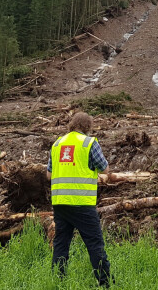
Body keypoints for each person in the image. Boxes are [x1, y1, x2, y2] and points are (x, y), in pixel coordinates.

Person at [47, 112, 112, 286]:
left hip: (60, 202)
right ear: (87, 127)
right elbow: (104, 169)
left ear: (72, 125)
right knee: (95, 243)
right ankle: (105, 283)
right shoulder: (89, 143)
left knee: (61, 243)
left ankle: (58, 281)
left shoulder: (57, 143)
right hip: (82, 203)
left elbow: (49, 174)